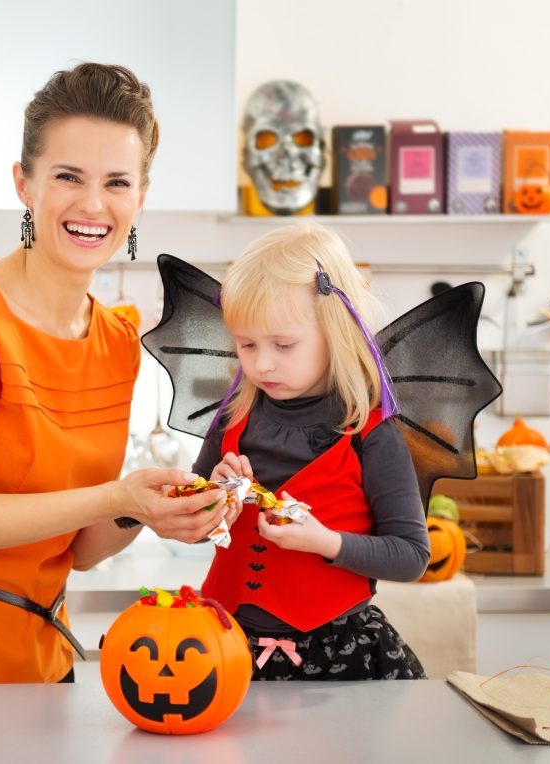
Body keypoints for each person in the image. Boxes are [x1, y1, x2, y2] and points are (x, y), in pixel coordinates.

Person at [0, 63, 233, 686]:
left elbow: (79, 551)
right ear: (24, 184)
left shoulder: (116, 341)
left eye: (117, 182)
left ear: (140, 196)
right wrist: (117, 496)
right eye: (68, 177)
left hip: (40, 664)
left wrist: (145, 509)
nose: (93, 204)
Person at [194, 222, 431, 680]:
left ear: (336, 332)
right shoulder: (230, 421)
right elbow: (195, 527)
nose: (261, 363)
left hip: (339, 653)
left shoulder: (370, 433)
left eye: (283, 345)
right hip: (228, 647)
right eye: (246, 344)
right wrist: (212, 501)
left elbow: (412, 555)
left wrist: (324, 542)